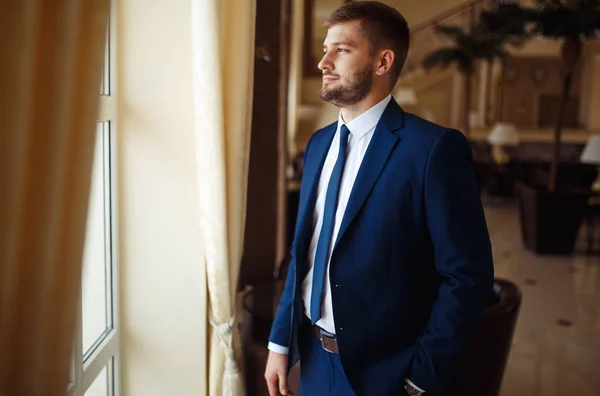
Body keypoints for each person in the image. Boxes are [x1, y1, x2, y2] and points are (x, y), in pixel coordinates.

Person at [264, 1, 494, 395]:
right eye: (324, 48)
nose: (324, 62)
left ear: (383, 61)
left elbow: (467, 278)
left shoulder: (432, 150)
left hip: (387, 375)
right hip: (315, 362)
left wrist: (419, 377)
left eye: (342, 49)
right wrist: (279, 341)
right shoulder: (318, 145)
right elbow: (304, 253)